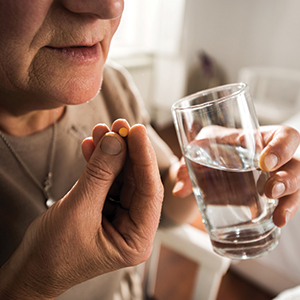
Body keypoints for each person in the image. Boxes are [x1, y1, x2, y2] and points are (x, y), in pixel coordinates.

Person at [0, 1, 299, 299]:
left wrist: (201, 178)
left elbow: (165, 202)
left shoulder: (114, 88)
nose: (111, 7)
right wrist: (32, 284)